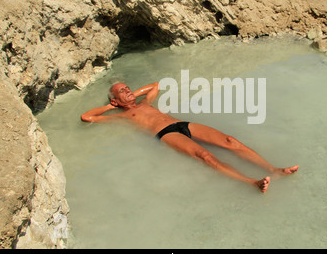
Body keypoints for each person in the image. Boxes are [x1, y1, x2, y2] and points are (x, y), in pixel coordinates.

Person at [80, 82, 298, 193]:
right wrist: (113, 104)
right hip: (165, 134)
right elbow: (87, 116)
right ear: (116, 101)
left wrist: (131, 94)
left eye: (128, 88)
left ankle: (274, 169)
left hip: (180, 123)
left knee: (229, 140)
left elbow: (155, 85)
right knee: (206, 156)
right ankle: (251, 182)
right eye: (122, 91)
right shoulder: (123, 116)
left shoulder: (145, 103)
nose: (127, 91)